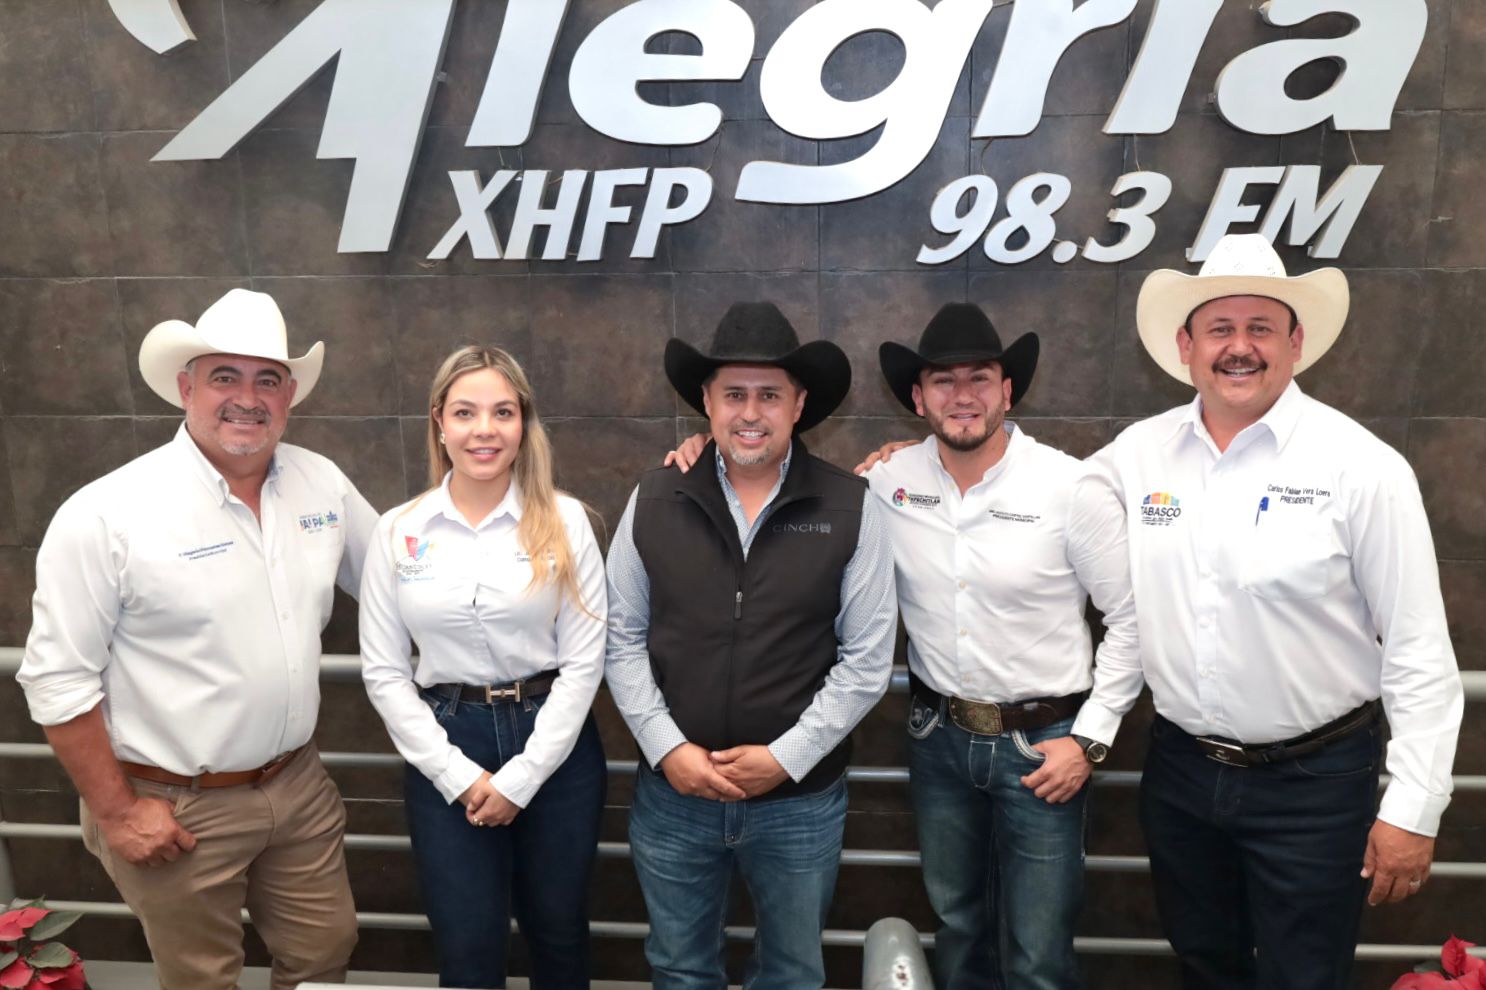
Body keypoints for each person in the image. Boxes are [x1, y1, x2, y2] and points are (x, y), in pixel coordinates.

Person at [673, 303, 1142, 989]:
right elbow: (778, 481)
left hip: (1045, 745)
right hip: (937, 738)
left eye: (979, 379)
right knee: (957, 925)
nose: (963, 396)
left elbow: (1130, 620)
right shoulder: (886, 483)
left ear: (1008, 391)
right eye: (943, 382)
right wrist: (707, 454)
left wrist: (1089, 740)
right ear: (918, 399)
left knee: (1040, 949)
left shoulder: (1070, 487)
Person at [1089, 234, 1463, 989]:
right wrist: (919, 461)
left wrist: (1413, 808)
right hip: (1182, 772)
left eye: (1260, 327)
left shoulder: (1363, 467)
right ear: (1186, 347)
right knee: (1204, 965)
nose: (1240, 347)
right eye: (1219, 329)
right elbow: (1037, 493)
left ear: (1296, 343)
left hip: (1315, 785)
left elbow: (1418, 647)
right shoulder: (1137, 454)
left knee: (1305, 977)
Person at [17, 288, 376, 990]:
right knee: (202, 980)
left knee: (325, 953)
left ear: (290, 396)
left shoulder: (321, 485)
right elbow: (57, 679)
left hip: (296, 785)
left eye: (267, 379)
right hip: (172, 804)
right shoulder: (107, 514)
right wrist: (119, 814)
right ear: (186, 388)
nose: (247, 398)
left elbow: (403, 580)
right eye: (224, 377)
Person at [605, 302, 898, 990]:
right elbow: (619, 638)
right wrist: (668, 749)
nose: (750, 413)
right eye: (733, 394)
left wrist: (786, 759)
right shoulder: (654, 498)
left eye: (769, 395)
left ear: (799, 405)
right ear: (706, 403)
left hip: (799, 804)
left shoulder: (852, 507)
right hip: (674, 798)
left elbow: (866, 662)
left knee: (792, 974)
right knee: (680, 970)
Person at [358, 346, 608, 989]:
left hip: (554, 742)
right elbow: (384, 672)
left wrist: (522, 778)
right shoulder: (398, 530)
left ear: (524, 423)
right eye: (465, 412)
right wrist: (460, 777)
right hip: (445, 741)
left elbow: (584, 663)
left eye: (502, 412)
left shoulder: (566, 521)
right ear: (439, 421)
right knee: (467, 946)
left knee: (559, 935)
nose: (484, 430)